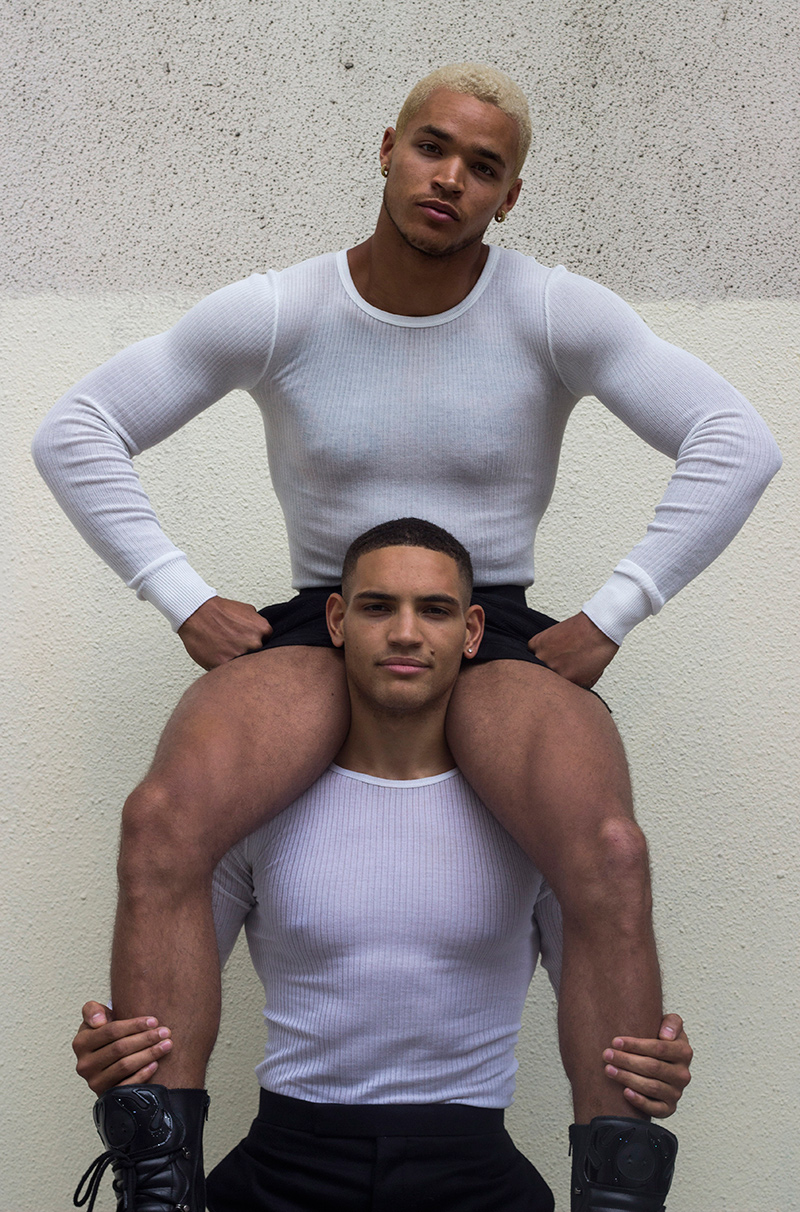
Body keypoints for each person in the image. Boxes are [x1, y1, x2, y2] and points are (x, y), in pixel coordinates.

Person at [32, 62, 777, 1212]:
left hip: (491, 621)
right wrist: (178, 593)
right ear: (386, 150)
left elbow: (735, 441)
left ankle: (618, 1193)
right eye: (432, 148)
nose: (449, 179)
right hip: (326, 612)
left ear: (507, 196)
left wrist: (614, 611)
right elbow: (76, 430)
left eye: (482, 167)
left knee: (607, 849)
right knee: (163, 816)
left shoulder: (549, 310)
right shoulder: (281, 308)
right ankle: (158, 1181)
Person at [72, 520, 692, 1212]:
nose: (405, 633)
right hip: (282, 1172)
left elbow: (608, 1002)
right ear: (337, 620)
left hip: (475, 1178)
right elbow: (161, 1007)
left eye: (435, 610)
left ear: (473, 631)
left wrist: (648, 1065)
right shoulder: (255, 811)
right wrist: (121, 1054)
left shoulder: (533, 824)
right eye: (377, 607)